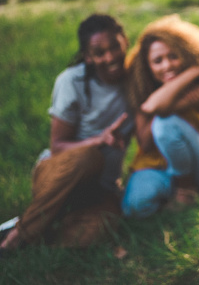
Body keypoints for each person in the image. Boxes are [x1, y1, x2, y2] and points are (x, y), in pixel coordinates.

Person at [0, 14, 134, 251]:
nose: (110, 56)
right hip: (60, 172)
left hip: (101, 187)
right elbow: (58, 146)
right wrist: (99, 140)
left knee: (103, 225)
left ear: (125, 41)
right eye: (99, 52)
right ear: (87, 57)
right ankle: (18, 238)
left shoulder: (137, 79)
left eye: (114, 46)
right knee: (90, 157)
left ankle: (44, 234)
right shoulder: (72, 81)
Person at [121, 14, 199, 218]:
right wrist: (192, 71)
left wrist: (194, 72)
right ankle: (171, 187)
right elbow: (146, 139)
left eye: (173, 56)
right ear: (146, 67)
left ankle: (185, 190)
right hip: (158, 166)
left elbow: (157, 107)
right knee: (134, 207)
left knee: (165, 123)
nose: (167, 65)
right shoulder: (141, 92)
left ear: (186, 54)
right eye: (157, 61)